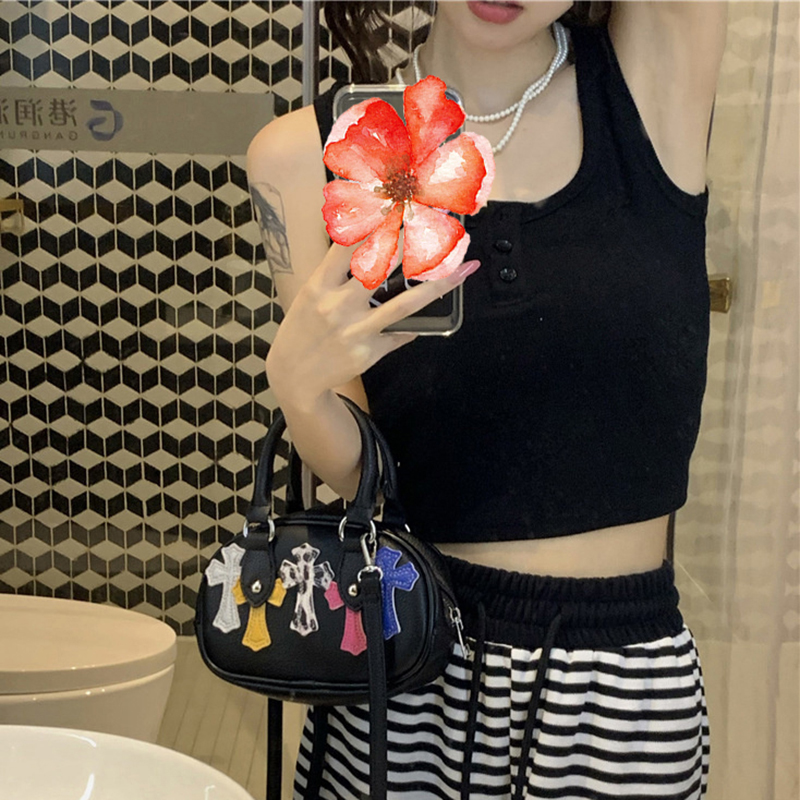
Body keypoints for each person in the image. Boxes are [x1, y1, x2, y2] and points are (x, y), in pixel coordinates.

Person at [246, 2, 728, 797]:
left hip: (617, 686)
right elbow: (366, 473)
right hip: (406, 657)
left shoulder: (650, 85)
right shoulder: (301, 154)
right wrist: (300, 393)